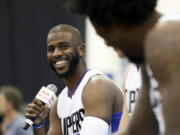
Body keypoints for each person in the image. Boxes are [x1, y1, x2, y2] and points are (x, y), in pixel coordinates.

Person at [63, 0, 180, 135]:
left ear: (116, 23)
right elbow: (139, 130)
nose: (108, 44)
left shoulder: (168, 38)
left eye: (105, 36)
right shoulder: (147, 56)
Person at [25, 24, 124, 135]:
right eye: (51, 49)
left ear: (81, 50)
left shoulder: (97, 86)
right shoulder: (59, 104)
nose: (56, 53)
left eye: (63, 47)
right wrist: (38, 125)